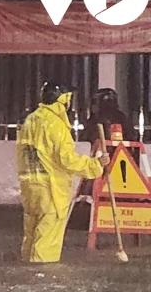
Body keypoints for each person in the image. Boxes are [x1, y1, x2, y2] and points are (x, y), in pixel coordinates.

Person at [17, 82, 110, 263]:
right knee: (47, 236)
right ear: (63, 99)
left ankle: (27, 267)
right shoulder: (56, 125)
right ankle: (40, 273)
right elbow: (66, 159)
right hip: (51, 187)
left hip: (30, 184)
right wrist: (95, 164)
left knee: (31, 231)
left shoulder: (30, 120)